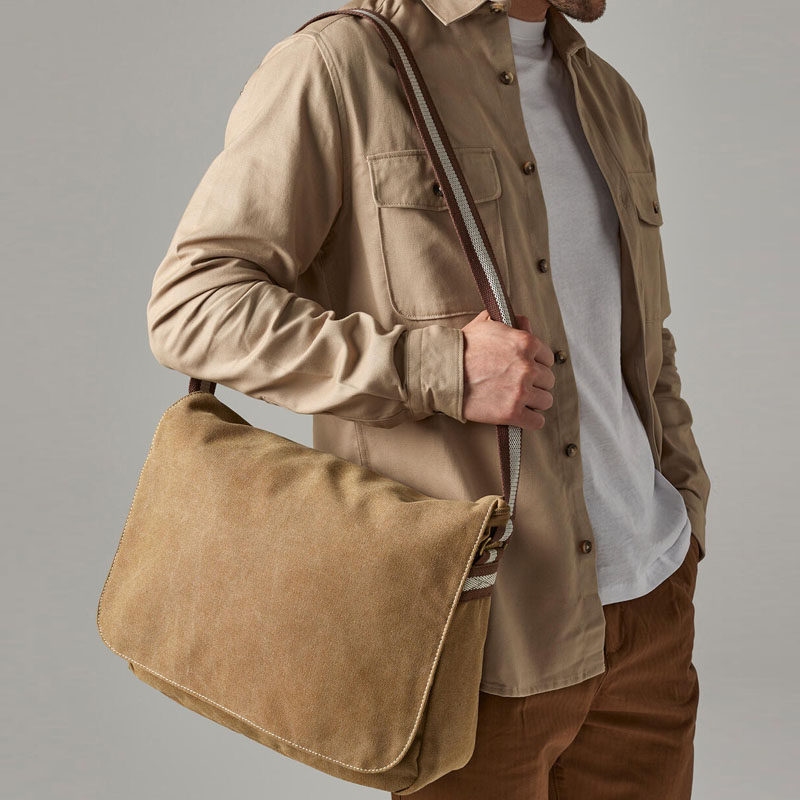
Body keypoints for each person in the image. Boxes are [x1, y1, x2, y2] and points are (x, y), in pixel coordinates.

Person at [146, 0, 711, 796]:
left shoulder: (608, 96)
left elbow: (642, 347)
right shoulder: (342, 65)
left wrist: (685, 508)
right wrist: (436, 367)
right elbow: (193, 306)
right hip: (476, 639)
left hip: (652, 615)